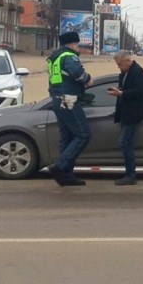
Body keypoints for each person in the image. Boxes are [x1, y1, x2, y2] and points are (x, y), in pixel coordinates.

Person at [45, 31, 93, 187]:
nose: (78, 48)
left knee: (67, 137)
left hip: (57, 99)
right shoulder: (69, 56)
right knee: (83, 134)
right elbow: (78, 75)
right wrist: (88, 79)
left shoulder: (54, 57)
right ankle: (60, 166)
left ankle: (66, 175)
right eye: (77, 44)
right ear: (73, 44)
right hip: (69, 99)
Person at [108, 50, 143, 185]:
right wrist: (118, 90)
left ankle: (130, 175)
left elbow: (138, 91)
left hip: (132, 113)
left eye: (120, 64)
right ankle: (130, 173)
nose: (119, 67)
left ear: (127, 61)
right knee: (125, 142)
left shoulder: (138, 72)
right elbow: (126, 87)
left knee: (125, 142)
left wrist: (121, 93)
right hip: (126, 113)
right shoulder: (127, 72)